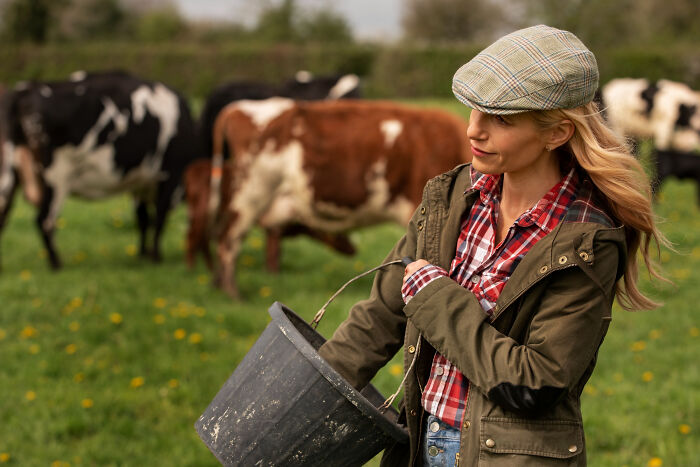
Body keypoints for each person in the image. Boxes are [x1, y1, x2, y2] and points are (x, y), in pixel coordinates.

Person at [318, 24, 668, 466]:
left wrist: (435, 298)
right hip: (414, 445)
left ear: (556, 133)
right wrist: (302, 398)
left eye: (500, 119)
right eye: (474, 110)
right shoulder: (450, 196)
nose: (473, 131)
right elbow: (380, 317)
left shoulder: (586, 241)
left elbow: (537, 381)